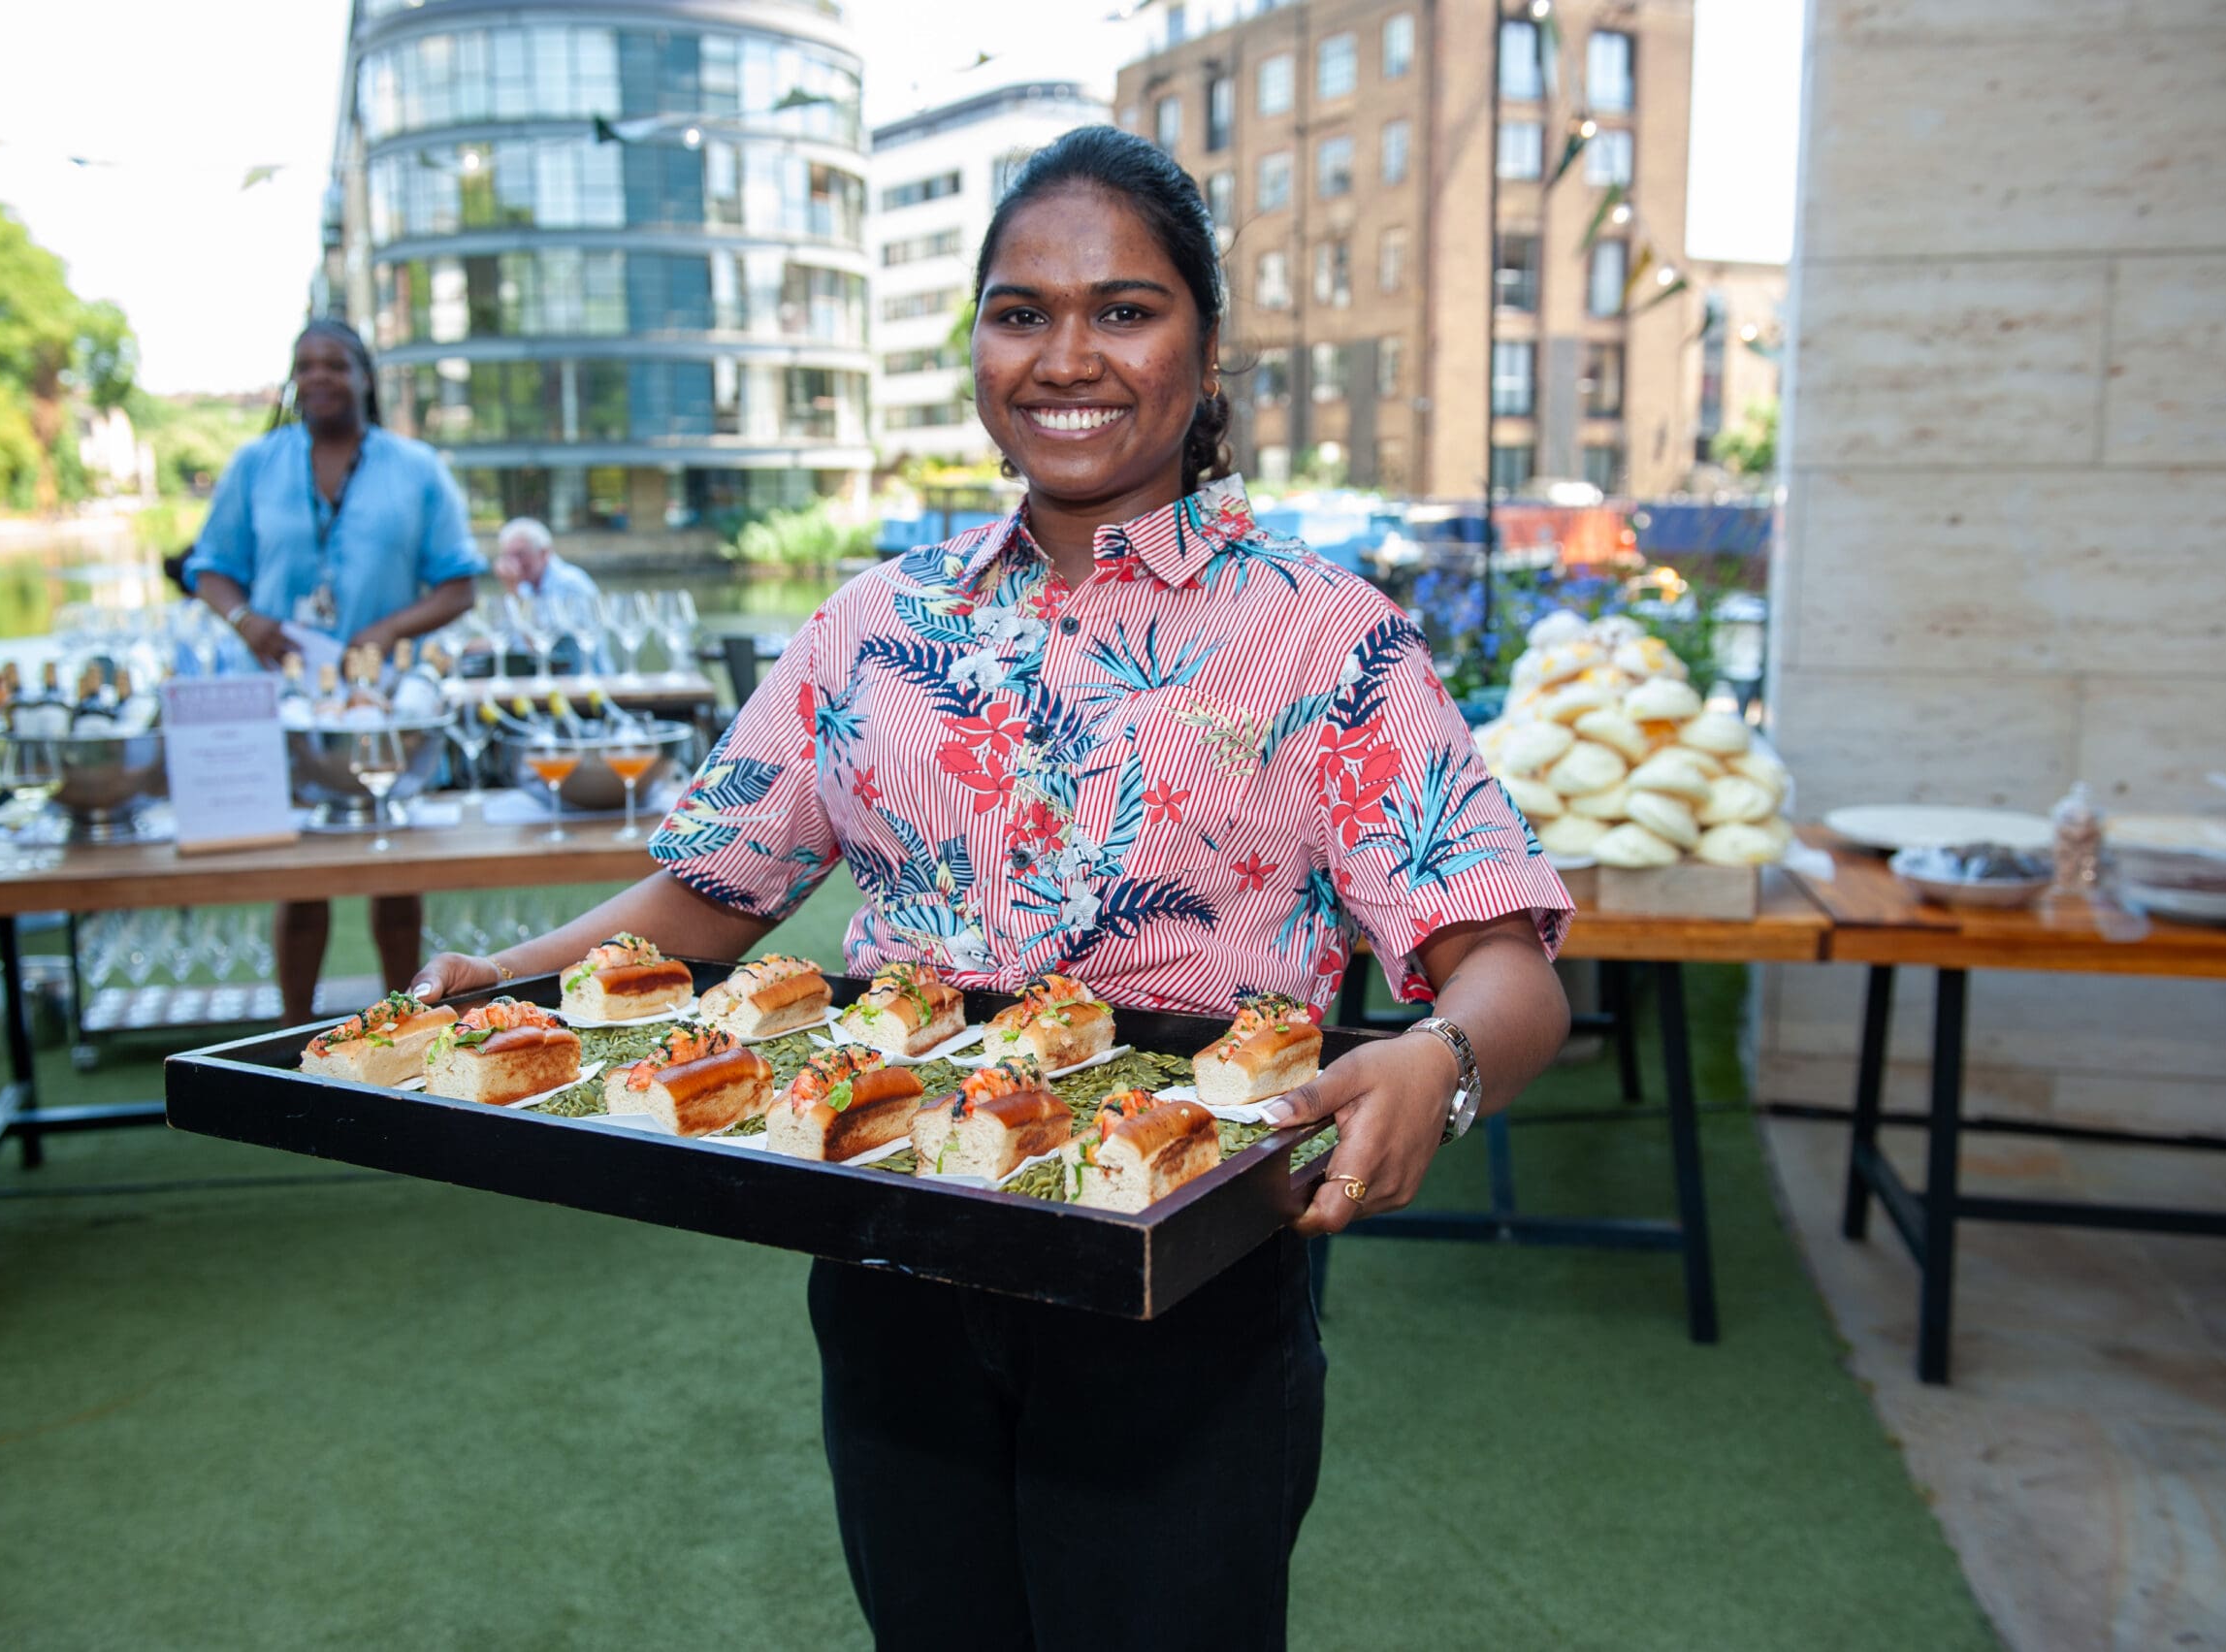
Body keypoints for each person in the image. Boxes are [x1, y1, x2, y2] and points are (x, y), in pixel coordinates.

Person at [412, 127, 1572, 1650]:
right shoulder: (873, 625)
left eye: (1125, 307)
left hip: (1182, 1278)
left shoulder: (1325, 640)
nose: (1065, 355)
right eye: (1020, 311)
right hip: (891, 1246)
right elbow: (709, 895)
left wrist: (1442, 1057)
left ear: (1207, 352)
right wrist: (517, 974)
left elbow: (1511, 967)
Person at [187, 318, 485, 1025]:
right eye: (305, 365)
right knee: (298, 875)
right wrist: (245, 621)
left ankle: (406, 1024)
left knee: (395, 875)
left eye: (335, 364)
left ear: (364, 377)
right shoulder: (255, 464)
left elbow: (459, 585)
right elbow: (210, 570)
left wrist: (385, 630)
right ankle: (293, 1036)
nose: (318, 377)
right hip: (283, 701)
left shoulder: (417, 469)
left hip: (376, 698)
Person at [493, 516, 607, 673]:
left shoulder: (570, 583)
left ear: (545, 553)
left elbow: (541, 646)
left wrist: (513, 591)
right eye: (508, 556)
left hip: (586, 687)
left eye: (520, 555)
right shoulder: (526, 586)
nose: (514, 564)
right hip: (550, 685)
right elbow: (509, 639)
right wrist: (462, 648)